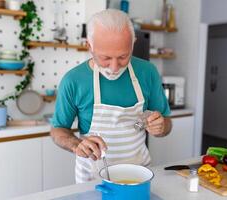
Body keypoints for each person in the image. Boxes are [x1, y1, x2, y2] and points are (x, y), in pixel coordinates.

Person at [50, 9, 172, 183]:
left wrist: (161, 127)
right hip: (92, 179)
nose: (115, 67)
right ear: (89, 46)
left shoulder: (148, 72)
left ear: (133, 44)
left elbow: (166, 124)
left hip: (139, 174)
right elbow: (58, 130)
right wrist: (77, 145)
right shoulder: (73, 80)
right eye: (105, 58)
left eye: (123, 56)